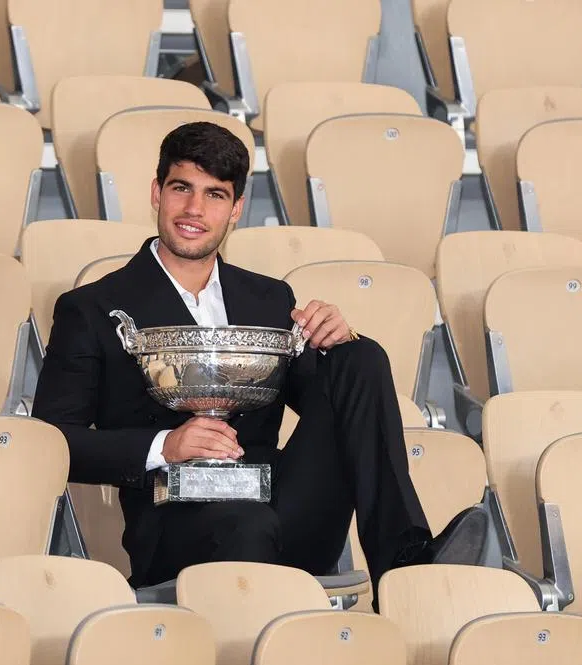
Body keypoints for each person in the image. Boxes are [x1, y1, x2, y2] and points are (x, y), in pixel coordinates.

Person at [32, 121, 488, 591]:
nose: (194, 209)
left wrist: (339, 338)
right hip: (180, 528)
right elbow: (50, 443)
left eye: (215, 195)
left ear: (236, 210)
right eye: (181, 188)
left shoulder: (268, 300)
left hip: (281, 510)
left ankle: (405, 566)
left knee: (360, 359)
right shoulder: (91, 308)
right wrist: (164, 446)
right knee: (246, 525)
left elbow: (335, 403)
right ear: (156, 193)